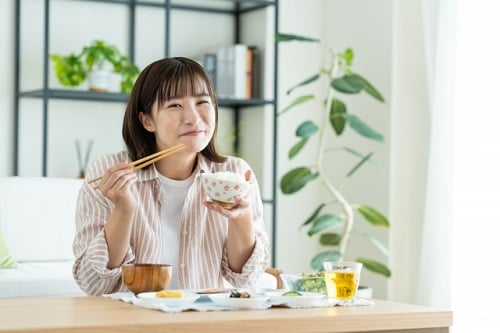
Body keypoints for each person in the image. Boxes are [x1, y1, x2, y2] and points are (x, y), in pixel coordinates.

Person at [72, 57, 270, 295]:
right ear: (147, 120)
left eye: (202, 102)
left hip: (205, 320)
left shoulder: (234, 174)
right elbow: (94, 283)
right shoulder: (109, 171)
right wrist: (123, 210)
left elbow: (245, 279)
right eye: (175, 105)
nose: (193, 118)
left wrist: (241, 217)